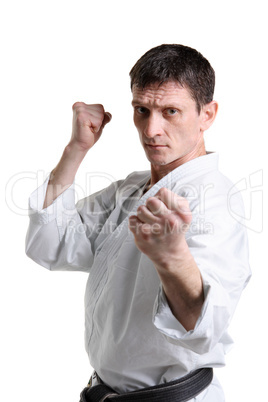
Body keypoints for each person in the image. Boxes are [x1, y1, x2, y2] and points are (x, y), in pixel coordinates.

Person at [25, 44, 251, 401]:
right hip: (104, 391)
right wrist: (76, 150)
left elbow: (204, 327)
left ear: (207, 115)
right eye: (141, 110)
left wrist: (172, 258)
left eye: (170, 112)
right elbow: (52, 246)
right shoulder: (131, 188)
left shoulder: (214, 201)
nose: (151, 129)